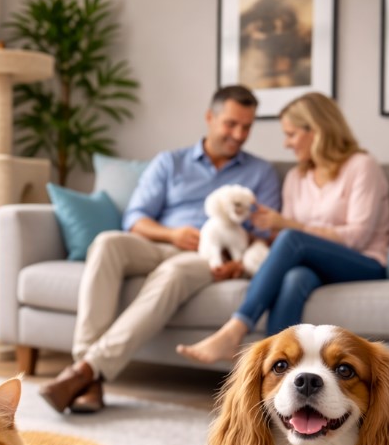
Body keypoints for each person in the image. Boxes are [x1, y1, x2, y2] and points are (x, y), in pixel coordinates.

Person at [39, 85, 281, 414]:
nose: (239, 134)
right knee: (107, 243)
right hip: (161, 242)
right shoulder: (171, 162)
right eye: (231, 124)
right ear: (210, 118)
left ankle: (82, 373)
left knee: (174, 272)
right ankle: (89, 375)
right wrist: (171, 234)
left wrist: (238, 264)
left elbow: (266, 237)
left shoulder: (260, 173)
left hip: (206, 258)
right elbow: (135, 218)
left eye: (247, 126)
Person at [176, 92, 389, 365]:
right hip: (316, 266)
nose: (286, 143)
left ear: (316, 131)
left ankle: (235, 329)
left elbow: (357, 237)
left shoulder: (361, 167)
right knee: (294, 279)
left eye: (290, 134)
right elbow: (286, 244)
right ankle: (275, 381)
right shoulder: (296, 176)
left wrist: (288, 226)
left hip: (365, 263)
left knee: (292, 238)